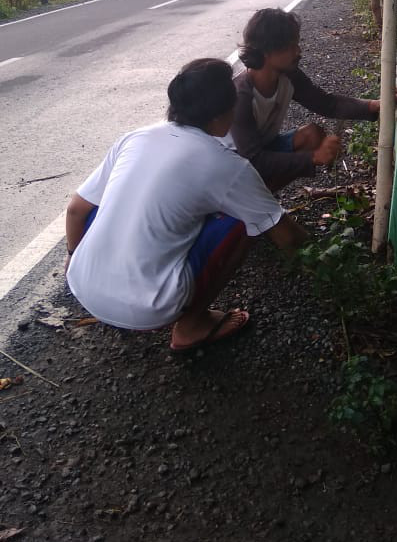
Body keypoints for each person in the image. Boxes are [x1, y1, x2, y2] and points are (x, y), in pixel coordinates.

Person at [65, 58, 307, 352]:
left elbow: (76, 210)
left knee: (113, 201)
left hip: (82, 284)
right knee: (245, 220)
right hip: (150, 307)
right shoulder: (226, 165)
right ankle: (192, 326)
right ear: (221, 116)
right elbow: (286, 235)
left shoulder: (136, 137)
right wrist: (325, 270)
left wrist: (73, 258)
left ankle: (107, 280)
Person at [229, 8, 397, 194]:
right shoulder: (240, 97)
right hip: (234, 166)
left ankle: (264, 199)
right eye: (290, 46)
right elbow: (253, 159)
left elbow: (327, 104)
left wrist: (375, 104)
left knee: (312, 135)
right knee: (276, 160)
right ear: (266, 51)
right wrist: (313, 158)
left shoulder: (289, 76)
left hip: (262, 148)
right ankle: (250, 207)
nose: (298, 51)